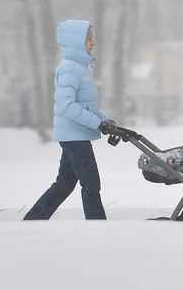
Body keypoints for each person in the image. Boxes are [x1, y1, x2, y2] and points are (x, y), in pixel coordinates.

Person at [23, 20, 116, 221]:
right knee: (91, 183)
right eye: (89, 38)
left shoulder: (79, 68)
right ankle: (98, 225)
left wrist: (105, 120)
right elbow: (67, 106)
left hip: (76, 134)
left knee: (64, 184)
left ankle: (33, 221)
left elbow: (85, 107)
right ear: (76, 42)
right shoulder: (69, 69)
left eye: (92, 37)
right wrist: (97, 123)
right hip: (74, 136)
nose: (93, 42)